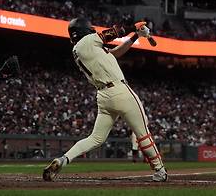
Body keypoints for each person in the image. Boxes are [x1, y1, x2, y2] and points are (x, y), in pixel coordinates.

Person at [42, 18, 167, 182]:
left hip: (103, 97)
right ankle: (159, 171)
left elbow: (115, 54)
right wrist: (134, 26)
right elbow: (114, 32)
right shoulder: (88, 40)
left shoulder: (81, 50)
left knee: (95, 138)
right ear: (84, 30)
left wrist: (135, 36)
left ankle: (63, 160)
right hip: (120, 91)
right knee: (143, 134)